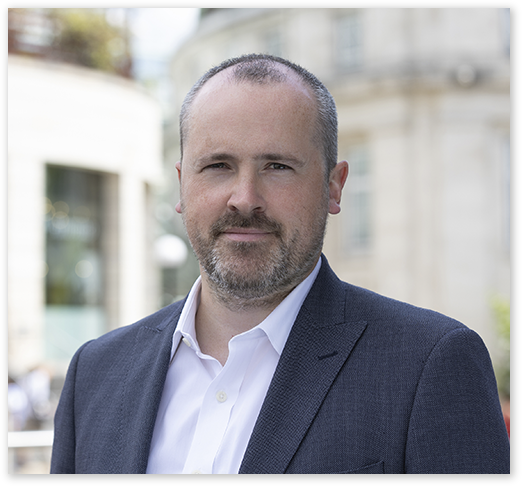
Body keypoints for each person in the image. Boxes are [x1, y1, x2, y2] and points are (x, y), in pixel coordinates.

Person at [50, 54, 510, 474]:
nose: (244, 198)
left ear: (334, 186)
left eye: (278, 166)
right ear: (181, 184)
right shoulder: (96, 372)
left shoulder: (430, 365)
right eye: (218, 165)